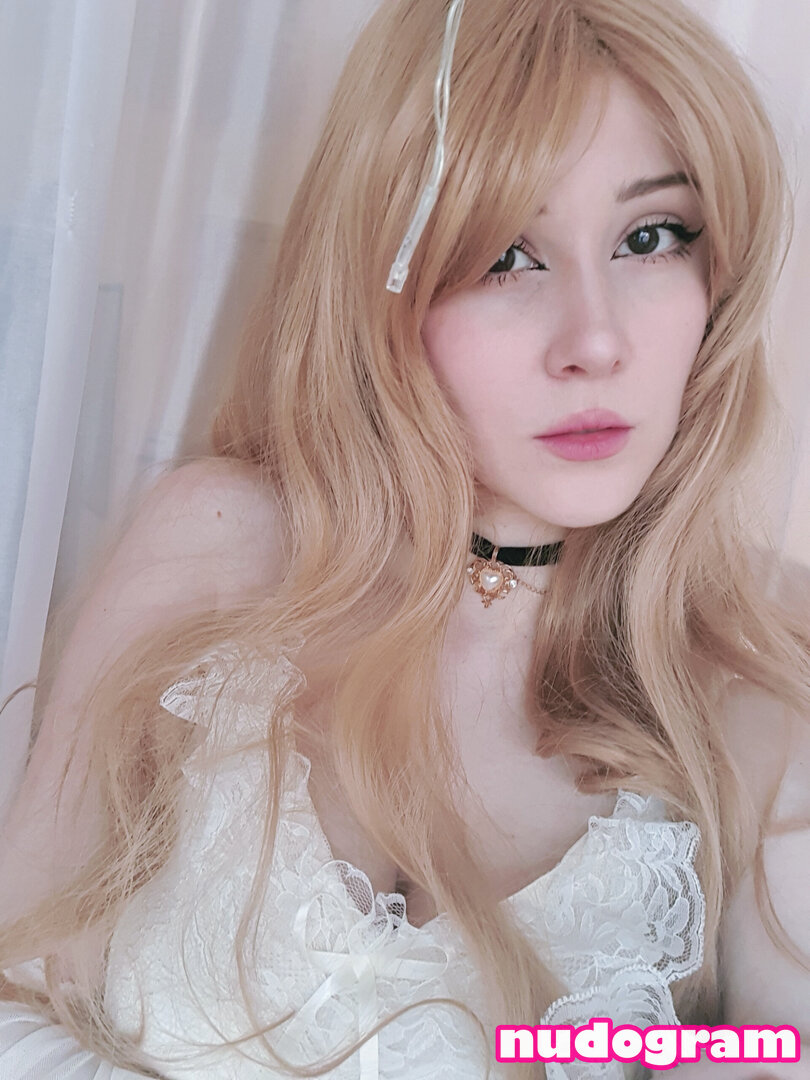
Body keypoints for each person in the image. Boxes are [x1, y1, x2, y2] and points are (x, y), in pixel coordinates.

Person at [0, 0, 809, 1077]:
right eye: (507, 255)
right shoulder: (220, 546)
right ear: (383, 279)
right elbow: (15, 992)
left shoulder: (755, 664)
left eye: (650, 237)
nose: (596, 340)